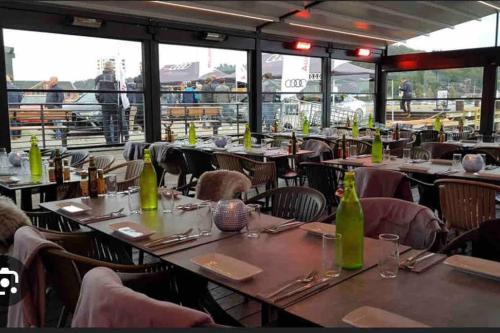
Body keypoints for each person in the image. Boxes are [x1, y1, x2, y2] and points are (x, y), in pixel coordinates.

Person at [95, 61, 119, 145]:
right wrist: (118, 100)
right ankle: (116, 141)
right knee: (116, 123)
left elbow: (97, 92)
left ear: (104, 68)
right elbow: (120, 91)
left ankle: (108, 142)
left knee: (106, 124)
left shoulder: (98, 78)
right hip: (115, 103)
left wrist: (101, 101)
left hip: (105, 103)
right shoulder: (116, 77)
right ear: (112, 68)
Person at [131, 65, 144, 131]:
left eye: (141, 67)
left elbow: (136, 79)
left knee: (141, 112)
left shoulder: (142, 76)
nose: (140, 68)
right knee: (140, 112)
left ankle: (142, 127)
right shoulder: (140, 77)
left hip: (141, 98)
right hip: (140, 98)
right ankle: (141, 127)